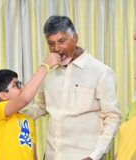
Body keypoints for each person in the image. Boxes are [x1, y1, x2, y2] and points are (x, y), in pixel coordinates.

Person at [21, 15, 121, 160]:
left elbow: (112, 117)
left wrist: (95, 156)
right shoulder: (49, 71)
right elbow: (41, 107)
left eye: (62, 41)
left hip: (84, 156)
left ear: (75, 38)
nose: (57, 49)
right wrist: (12, 108)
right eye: (51, 43)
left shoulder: (101, 72)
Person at [0, 53, 60, 160]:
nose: (22, 88)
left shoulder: (27, 119)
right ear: (3, 95)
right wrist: (45, 66)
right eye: (16, 85)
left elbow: (33, 155)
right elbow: (24, 98)